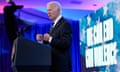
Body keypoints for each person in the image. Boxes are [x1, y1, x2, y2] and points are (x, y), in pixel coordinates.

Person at [36, 1, 72, 72]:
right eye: (47, 11)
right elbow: (51, 42)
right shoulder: (53, 25)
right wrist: (42, 39)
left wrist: (50, 39)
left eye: (50, 10)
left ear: (58, 10)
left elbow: (66, 43)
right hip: (53, 65)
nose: (48, 13)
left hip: (61, 66)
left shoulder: (65, 24)